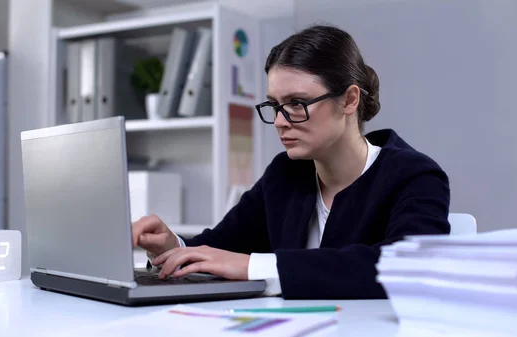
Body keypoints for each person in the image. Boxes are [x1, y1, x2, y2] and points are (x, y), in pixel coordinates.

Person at [131, 24, 450, 299]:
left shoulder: (415, 176)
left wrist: (252, 266)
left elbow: (409, 269)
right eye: (274, 105)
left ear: (350, 100)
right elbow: (218, 248)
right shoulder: (285, 173)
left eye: (297, 103)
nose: (281, 121)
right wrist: (172, 246)